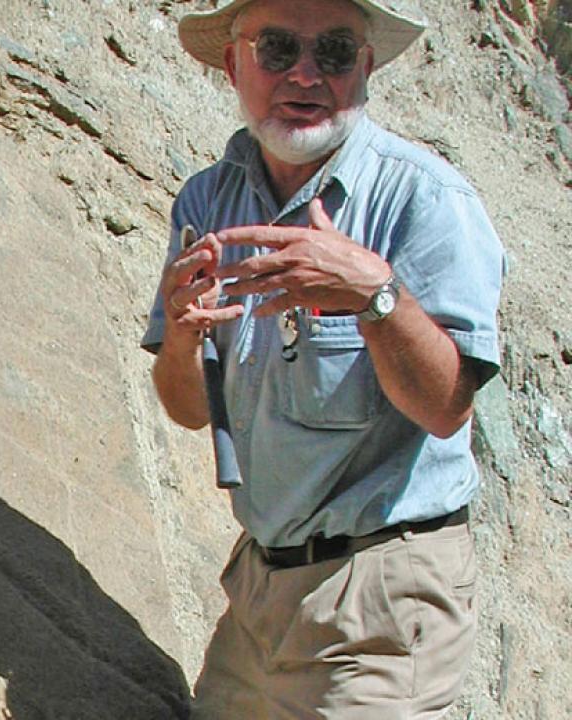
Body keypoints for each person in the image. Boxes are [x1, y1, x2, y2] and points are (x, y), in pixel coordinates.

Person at [140, 0, 505, 716]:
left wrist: (376, 296)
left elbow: (446, 409)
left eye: (334, 52)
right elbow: (188, 411)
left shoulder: (425, 200)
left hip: (383, 601)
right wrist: (181, 337)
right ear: (233, 63)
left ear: (365, 67)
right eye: (278, 49)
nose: (305, 75)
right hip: (258, 592)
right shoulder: (208, 201)